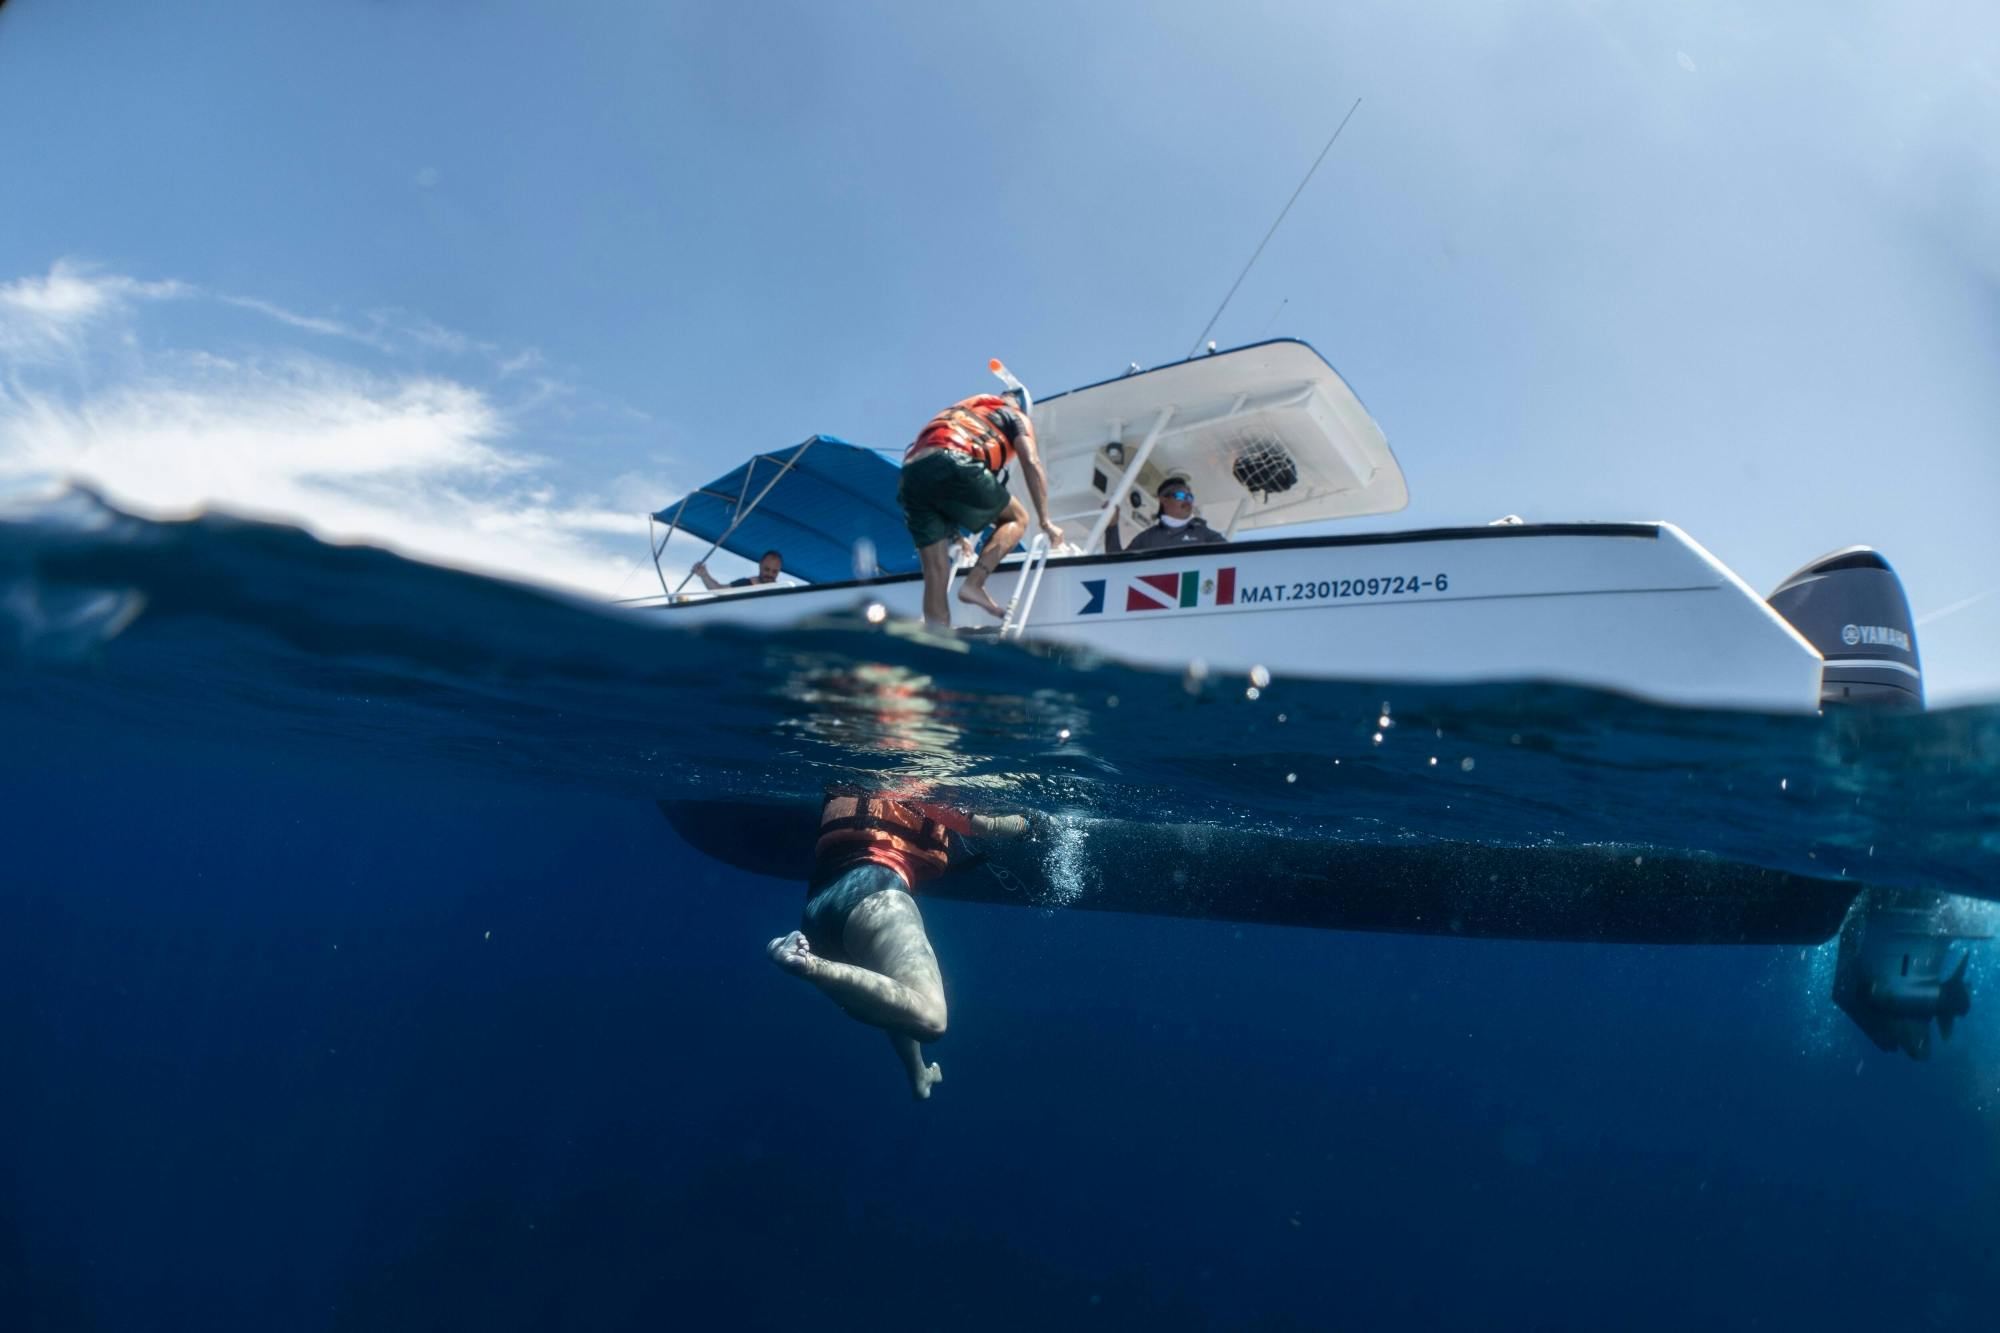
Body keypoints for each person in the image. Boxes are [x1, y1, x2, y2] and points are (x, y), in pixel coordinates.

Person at [767, 789, 1030, 1099]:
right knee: (932, 1019)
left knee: (898, 994)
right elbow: (972, 821)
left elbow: (891, 1000)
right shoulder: (914, 775)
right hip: (875, 889)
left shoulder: (862, 769)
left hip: (820, 908)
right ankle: (805, 965)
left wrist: (917, 1068)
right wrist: (1023, 826)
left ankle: (918, 1073)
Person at [898, 388, 1063, 627]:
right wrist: (1046, 521)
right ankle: (974, 584)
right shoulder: (1014, 416)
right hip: (953, 459)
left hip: (910, 476)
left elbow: (933, 477)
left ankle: (937, 646)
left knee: (936, 573)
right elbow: (1031, 461)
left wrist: (955, 536)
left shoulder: (964, 411)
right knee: (1017, 519)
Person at [1107, 476, 1228, 552]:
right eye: (1181, 496)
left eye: (1189, 497)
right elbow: (1117, 563)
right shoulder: (1147, 538)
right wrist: (1112, 526)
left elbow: (1232, 556)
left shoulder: (1204, 534)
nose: (1187, 501)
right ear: (1164, 500)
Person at [692, 549, 784, 591]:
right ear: (760, 566)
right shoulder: (744, 584)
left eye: (774, 572)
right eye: (767, 569)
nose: (770, 574)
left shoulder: (782, 593)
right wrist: (704, 575)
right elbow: (718, 590)